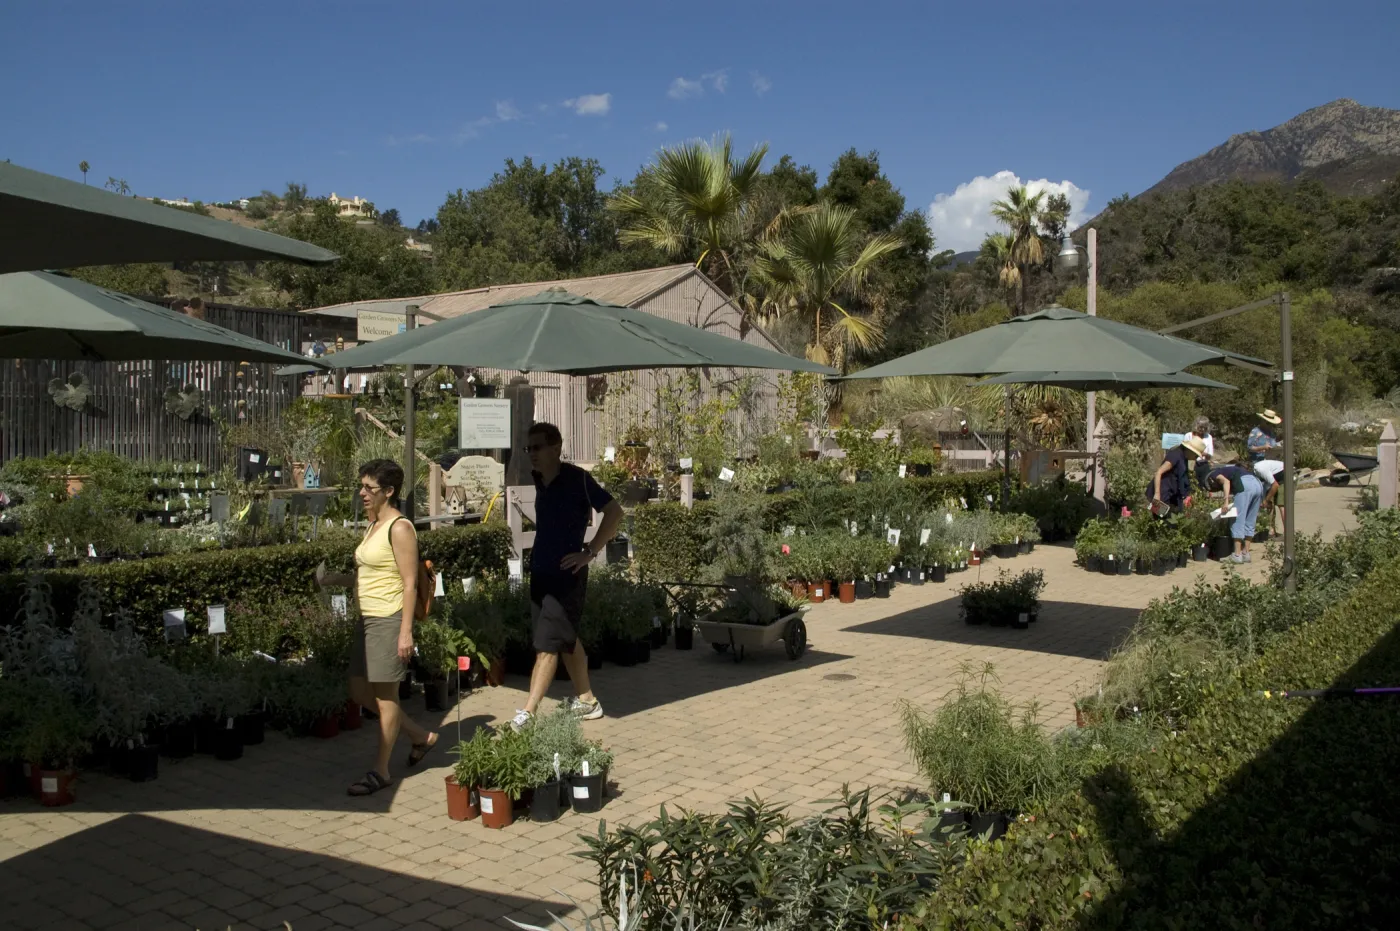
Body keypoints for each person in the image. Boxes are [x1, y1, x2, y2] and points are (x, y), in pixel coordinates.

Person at [510, 422, 625, 730]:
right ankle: (587, 700)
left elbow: (614, 511)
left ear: (556, 447)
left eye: (537, 447)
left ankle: (528, 712)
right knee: (565, 639)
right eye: (528, 448)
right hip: (541, 574)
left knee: (546, 645)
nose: (531, 454)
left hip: (567, 576)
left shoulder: (578, 479)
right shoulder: (538, 480)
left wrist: (590, 551)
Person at [338, 458, 437, 796]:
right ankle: (420, 736)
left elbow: (410, 583)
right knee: (358, 691)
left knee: (386, 697)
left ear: (390, 491)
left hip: (388, 619)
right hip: (366, 620)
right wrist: (333, 580)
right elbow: (371, 570)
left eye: (370, 488)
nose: (362, 493)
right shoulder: (374, 524)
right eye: (362, 486)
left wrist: (405, 632)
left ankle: (381, 771)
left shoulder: (399, 527)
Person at [1205, 457, 1263, 564]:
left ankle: (1237, 555)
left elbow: (1226, 482)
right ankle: (1246, 553)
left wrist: (1226, 501)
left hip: (1245, 485)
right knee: (1250, 519)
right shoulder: (1237, 470)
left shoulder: (1215, 474)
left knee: (1237, 519)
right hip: (1258, 484)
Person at [1147, 435, 1207, 514]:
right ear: (1191, 450)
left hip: (1171, 496)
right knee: (1162, 520)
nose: (1195, 458)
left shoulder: (1184, 458)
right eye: (1196, 455)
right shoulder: (1175, 455)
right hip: (1161, 496)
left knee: (1173, 519)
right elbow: (1159, 472)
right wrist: (1157, 494)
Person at [1184, 417, 1215, 489]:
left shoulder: (1208, 437)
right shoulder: (1188, 435)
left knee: (1204, 485)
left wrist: (1204, 454)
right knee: (1191, 485)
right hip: (1190, 464)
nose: (1202, 429)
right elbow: (1184, 451)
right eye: (1200, 427)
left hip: (1203, 464)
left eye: (1204, 427)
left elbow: (1210, 455)